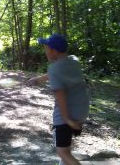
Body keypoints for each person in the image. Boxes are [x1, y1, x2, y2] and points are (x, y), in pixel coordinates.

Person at [27, 34, 90, 165]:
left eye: (46, 48)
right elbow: (56, 73)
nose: (45, 51)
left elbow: (60, 96)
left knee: (63, 152)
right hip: (82, 111)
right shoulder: (73, 60)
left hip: (66, 117)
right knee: (65, 148)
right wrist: (38, 80)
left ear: (53, 51)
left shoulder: (54, 69)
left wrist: (68, 120)